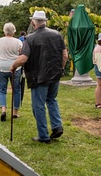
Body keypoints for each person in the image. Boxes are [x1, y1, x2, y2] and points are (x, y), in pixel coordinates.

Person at [10, 10, 67, 143]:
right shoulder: (57, 35)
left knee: (38, 106)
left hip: (38, 76)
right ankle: (57, 126)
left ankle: (43, 135)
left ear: (33, 22)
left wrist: (13, 66)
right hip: (55, 74)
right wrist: (61, 69)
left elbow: (23, 58)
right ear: (45, 21)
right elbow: (65, 55)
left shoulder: (30, 38)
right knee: (52, 100)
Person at [0, 22, 22, 122]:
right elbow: (21, 55)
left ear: (4, 31)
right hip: (14, 67)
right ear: (13, 31)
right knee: (16, 89)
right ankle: (15, 112)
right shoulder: (18, 42)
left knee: (2, 89)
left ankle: (3, 110)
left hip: (1, 67)